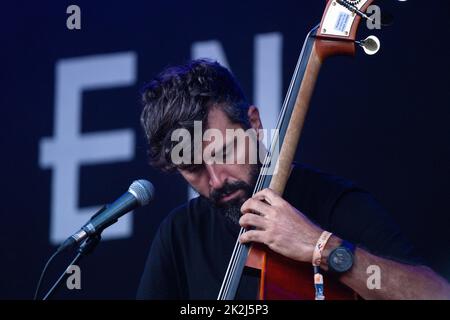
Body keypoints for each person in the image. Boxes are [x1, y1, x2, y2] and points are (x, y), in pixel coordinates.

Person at [137, 59, 450, 300]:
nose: (217, 181)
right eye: (193, 169)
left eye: (224, 153)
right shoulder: (179, 235)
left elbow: (436, 295)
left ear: (254, 124)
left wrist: (322, 247)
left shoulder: (335, 204)